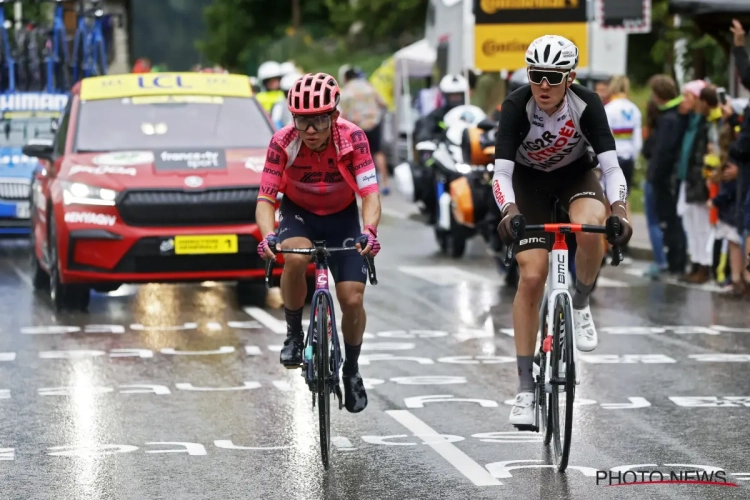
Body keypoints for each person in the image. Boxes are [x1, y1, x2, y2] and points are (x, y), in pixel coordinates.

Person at [492, 35, 632, 427]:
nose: (545, 86)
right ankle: (523, 389)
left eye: (554, 77)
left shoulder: (586, 104)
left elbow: (611, 168)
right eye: (537, 75)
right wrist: (509, 210)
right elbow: (501, 173)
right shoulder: (517, 105)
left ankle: (582, 302)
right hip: (527, 185)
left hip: (574, 175)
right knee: (532, 275)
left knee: (592, 228)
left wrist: (619, 209)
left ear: (569, 78)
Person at [255, 73, 382, 413]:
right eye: (303, 121)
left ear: (334, 116)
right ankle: (294, 334)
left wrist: (369, 231)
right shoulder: (282, 142)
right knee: (295, 259)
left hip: (342, 217)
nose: (310, 131)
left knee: (352, 298)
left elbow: (369, 193)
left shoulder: (353, 138)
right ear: (293, 119)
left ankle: (352, 370)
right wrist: (268, 235)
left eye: (319, 121)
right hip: (299, 215)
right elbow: (266, 198)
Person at [648, 74, 689, 276]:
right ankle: (676, 261)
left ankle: (676, 263)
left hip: (664, 179)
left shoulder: (669, 119)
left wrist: (653, 177)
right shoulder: (676, 115)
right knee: (672, 221)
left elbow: (663, 152)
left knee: (669, 222)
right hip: (669, 178)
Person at [675, 81, 714, 283]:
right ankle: (696, 262)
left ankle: (704, 266)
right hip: (687, 180)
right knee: (689, 222)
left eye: (688, 96)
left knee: (702, 225)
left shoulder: (706, 124)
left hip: (699, 182)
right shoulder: (690, 121)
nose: (684, 100)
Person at [604, 75, 642, 257]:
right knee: (624, 200)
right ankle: (625, 240)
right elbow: (638, 140)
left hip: (613, 158)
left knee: (608, 201)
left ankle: (609, 241)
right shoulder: (634, 110)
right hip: (628, 158)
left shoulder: (608, 109)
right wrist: (633, 156)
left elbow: (606, 137)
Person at [338, 67, 390, 194]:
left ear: (345, 78)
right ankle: (384, 184)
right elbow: (383, 104)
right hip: (375, 123)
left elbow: (342, 114)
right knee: (378, 152)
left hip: (357, 126)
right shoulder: (369, 86)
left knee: (358, 155)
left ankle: (361, 185)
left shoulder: (345, 92)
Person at [414, 74, 470, 143]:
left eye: (458, 95)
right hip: (444, 150)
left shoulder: (471, 113)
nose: (455, 98)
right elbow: (425, 132)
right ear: (446, 96)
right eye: (452, 95)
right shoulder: (438, 116)